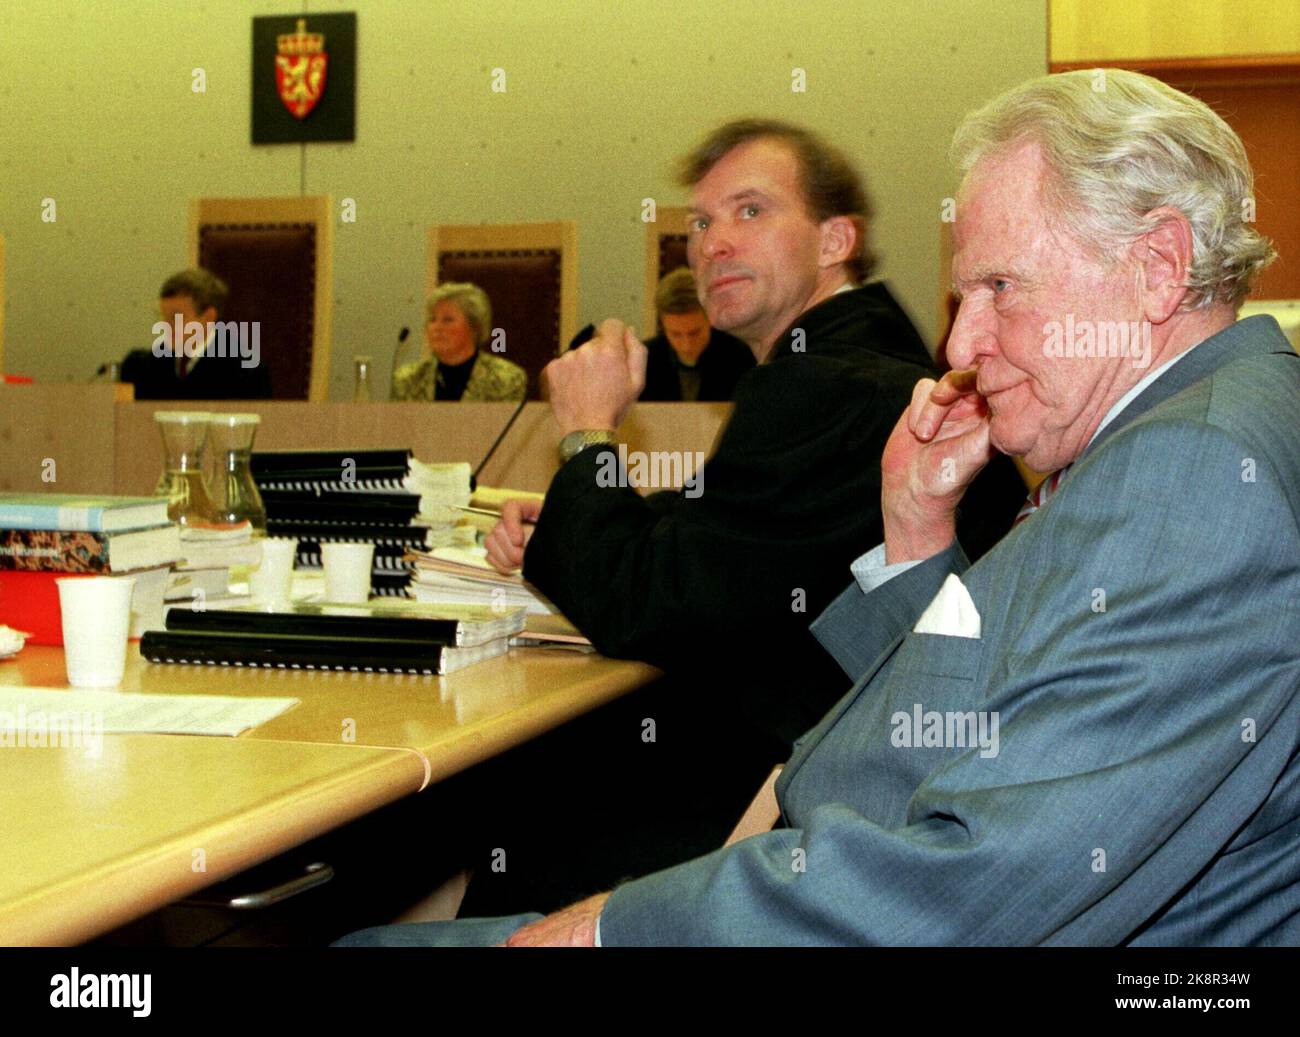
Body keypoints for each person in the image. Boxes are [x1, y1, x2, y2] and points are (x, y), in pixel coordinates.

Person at [337, 69, 1299, 947]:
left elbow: (967, 887)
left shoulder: (1196, 471)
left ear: (1159, 267)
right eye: (964, 294)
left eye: (1001, 286)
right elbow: (990, 726)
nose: (962, 338)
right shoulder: (1192, 425)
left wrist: (617, 933)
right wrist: (916, 534)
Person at [439, 119, 1020, 919]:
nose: (712, 244)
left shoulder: (821, 382)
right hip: (862, 785)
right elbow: (733, 536)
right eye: (700, 224)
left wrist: (585, 436)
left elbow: (645, 602)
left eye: (750, 212)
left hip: (781, 815)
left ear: (835, 240)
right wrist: (579, 518)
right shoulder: (865, 358)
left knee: (512, 802)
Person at [120, 268, 272, 399]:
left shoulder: (246, 372)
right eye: (162, 316)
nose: (165, 325)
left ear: (208, 317)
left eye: (176, 317)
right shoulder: (142, 369)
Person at [390, 282, 527, 401]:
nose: (437, 328)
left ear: (474, 326)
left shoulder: (507, 379)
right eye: (432, 320)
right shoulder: (406, 379)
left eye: (448, 320)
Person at [639, 267, 754, 401]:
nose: (686, 346)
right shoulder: (643, 361)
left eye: (694, 333)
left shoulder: (743, 357)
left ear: (712, 317)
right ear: (662, 325)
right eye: (675, 334)